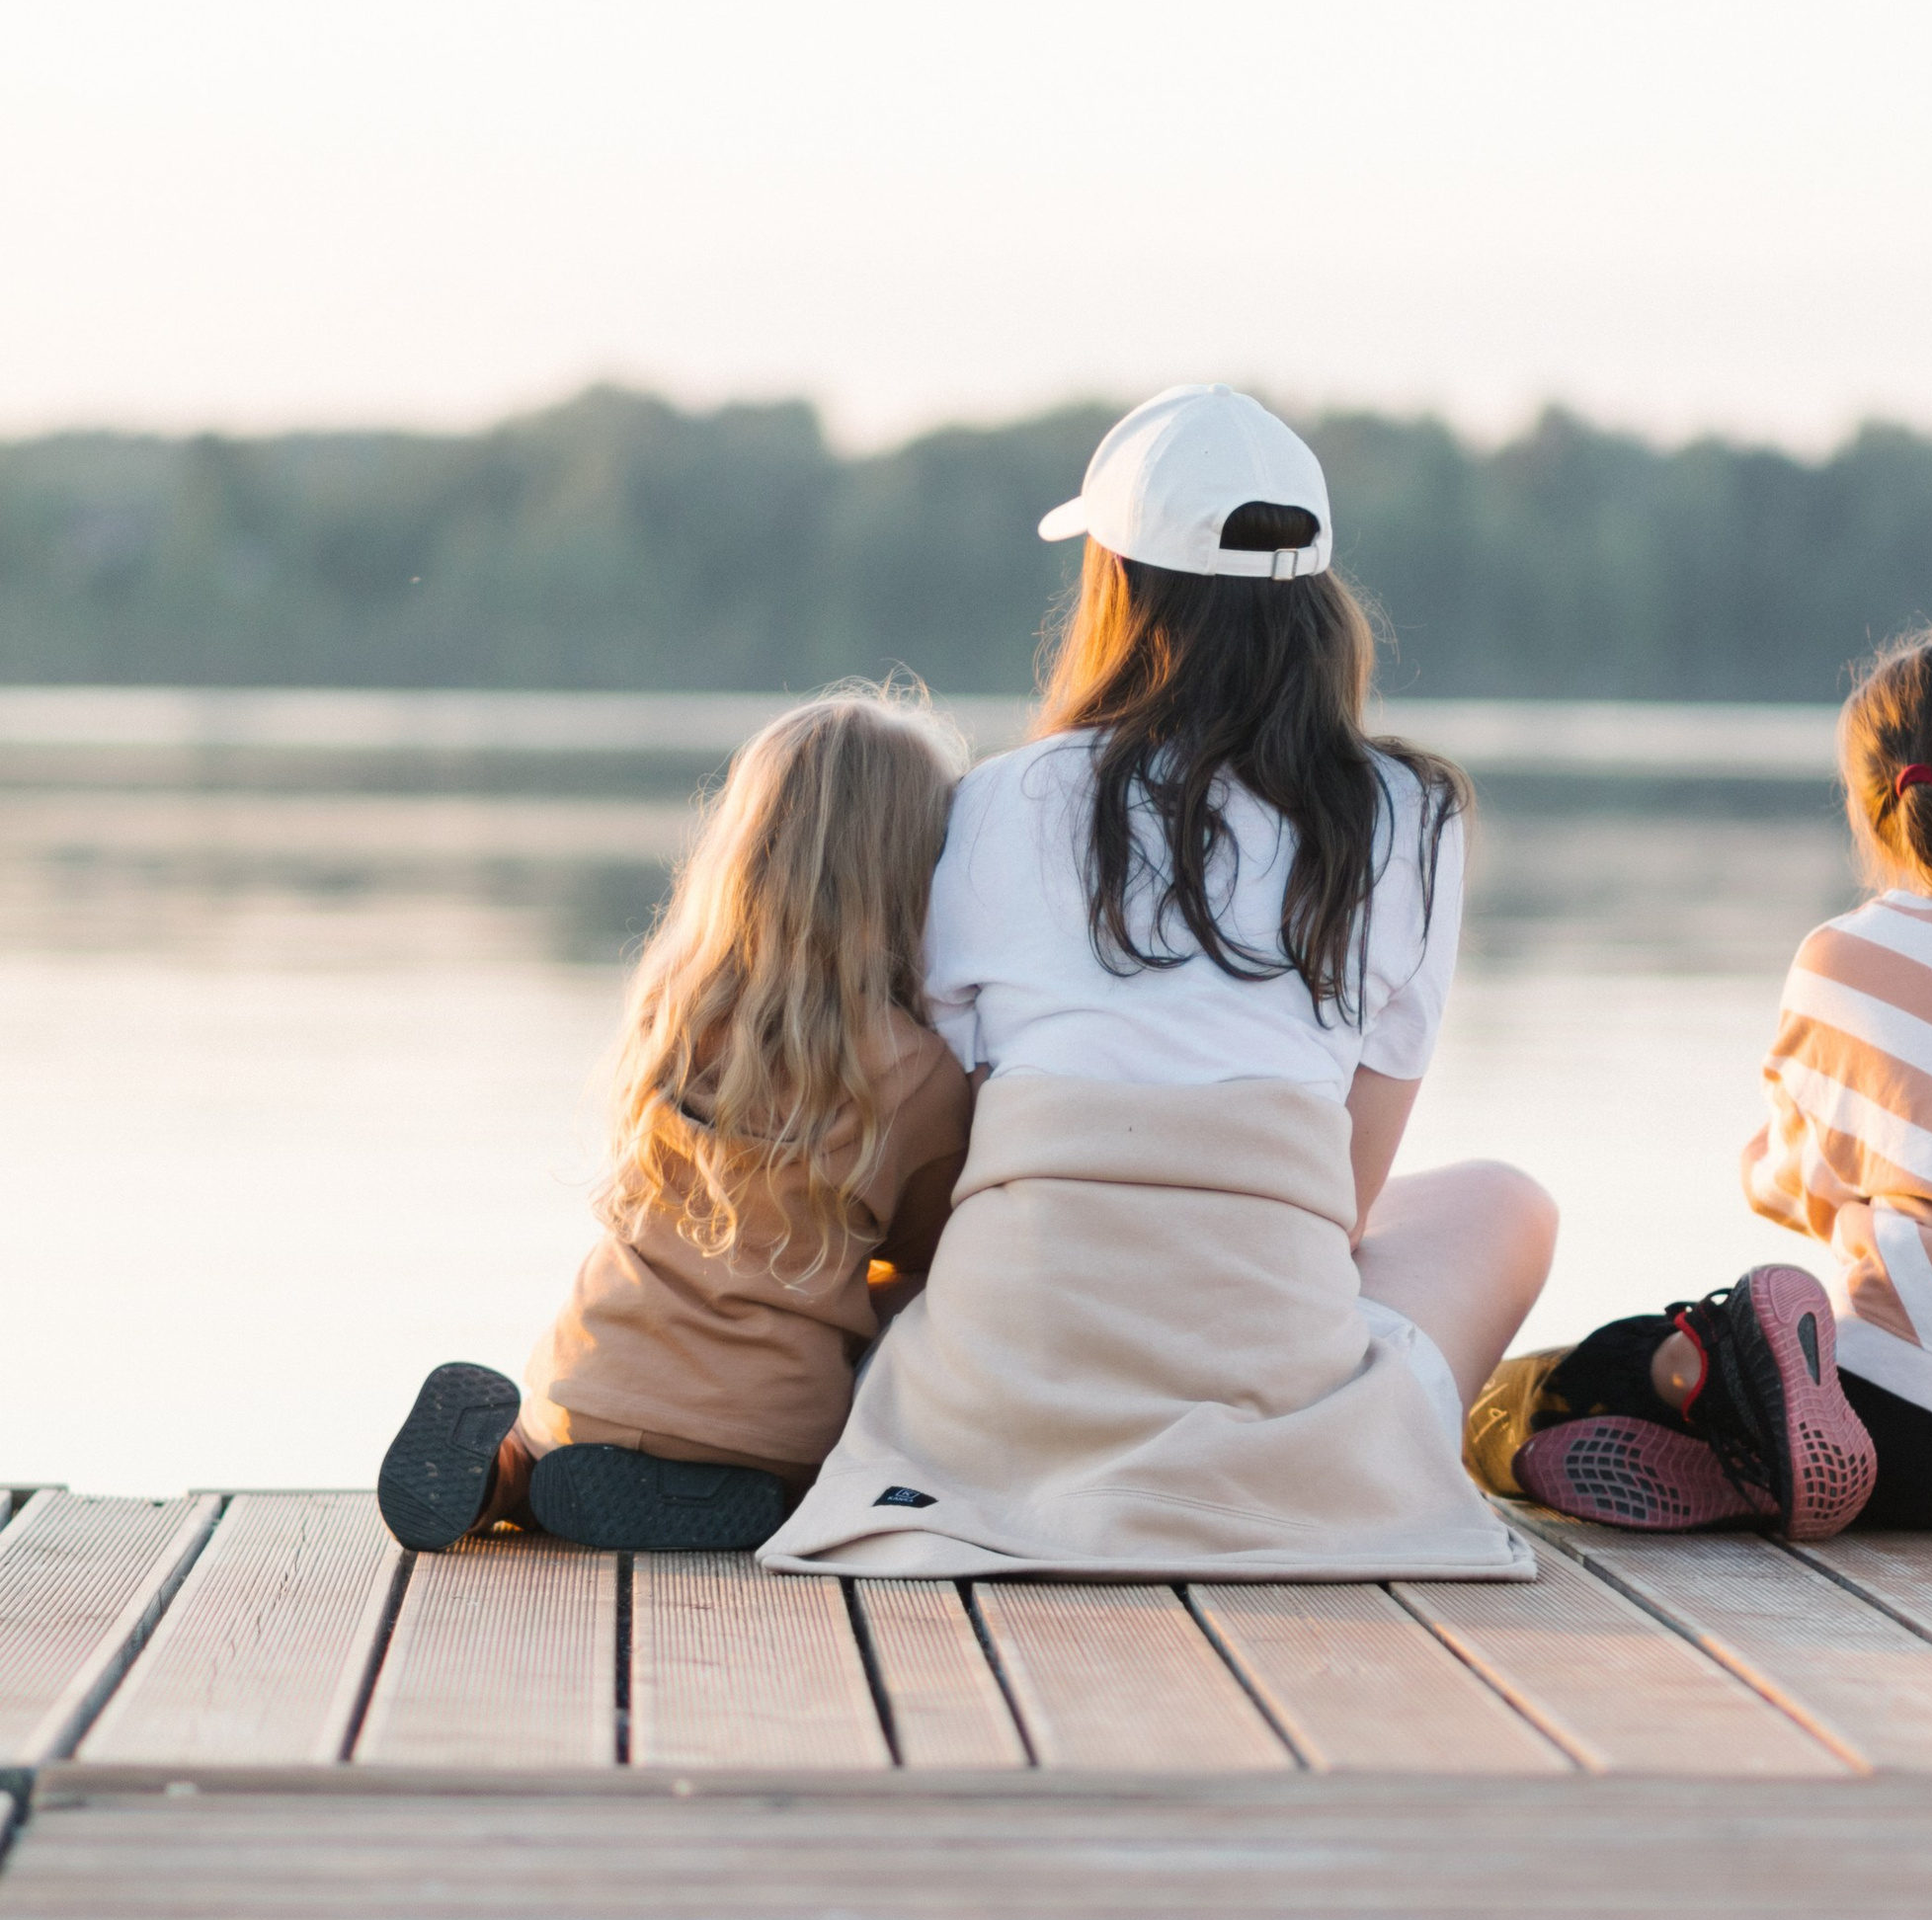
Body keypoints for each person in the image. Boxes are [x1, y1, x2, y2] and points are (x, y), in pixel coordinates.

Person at [761, 385, 1553, 1582]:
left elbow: (955, 1127)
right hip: (1266, 1337)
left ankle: (1053, 1440)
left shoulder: (999, 799)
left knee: (961, 1260)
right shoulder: (1409, 817)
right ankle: (1353, 1449)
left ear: (1117, 585)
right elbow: (1341, 1197)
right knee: (1504, 1206)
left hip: (1007, 1393)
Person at [1484, 630, 1932, 1538]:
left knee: (1616, 1366)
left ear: (1880, 813)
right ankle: (1753, 1433)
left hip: (1899, 1412)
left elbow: (1791, 1183)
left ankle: (1613, 1402)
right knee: (1796, 1369)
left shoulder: (1850, 956)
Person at [374, 687, 973, 1554]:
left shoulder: (673, 1011)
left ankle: (505, 1477)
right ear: (916, 873)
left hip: (595, 1389)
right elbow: (931, 1250)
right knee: (913, 1311)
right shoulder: (915, 1073)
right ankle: (740, 1490)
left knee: (550, 1457)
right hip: (775, 1432)